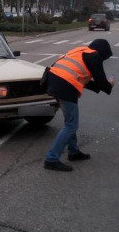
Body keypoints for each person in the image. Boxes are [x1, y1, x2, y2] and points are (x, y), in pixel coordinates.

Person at [44, 39, 114, 172]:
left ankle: (73, 152)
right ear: (102, 52)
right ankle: (51, 159)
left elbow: (83, 79)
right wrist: (109, 85)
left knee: (69, 122)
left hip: (53, 81)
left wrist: (102, 87)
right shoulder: (95, 56)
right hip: (64, 86)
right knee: (71, 125)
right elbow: (101, 81)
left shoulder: (80, 52)